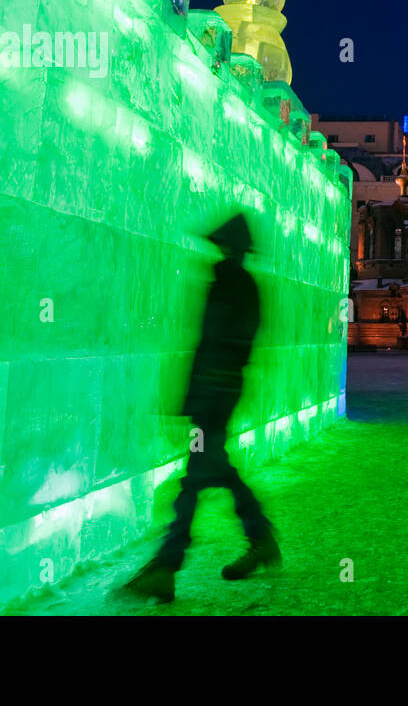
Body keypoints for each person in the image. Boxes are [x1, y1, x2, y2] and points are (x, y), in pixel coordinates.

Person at [119, 213, 279, 604]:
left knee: (197, 476)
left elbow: (220, 344)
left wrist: (204, 391)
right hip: (216, 392)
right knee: (212, 469)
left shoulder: (230, 284)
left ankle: (168, 565)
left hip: (215, 393)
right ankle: (259, 540)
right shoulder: (238, 284)